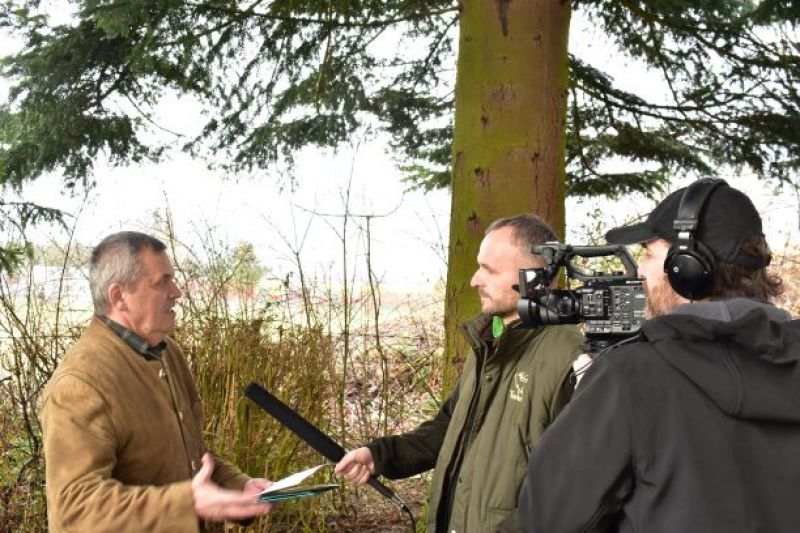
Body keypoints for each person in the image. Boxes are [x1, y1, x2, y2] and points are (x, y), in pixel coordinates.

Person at [515, 178, 800, 532]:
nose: (641, 271)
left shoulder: (630, 375)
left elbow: (547, 515)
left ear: (688, 267)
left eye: (650, 254)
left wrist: (592, 390)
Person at [335, 214, 584, 532]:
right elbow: (450, 428)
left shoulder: (572, 359)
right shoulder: (489, 340)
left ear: (534, 277)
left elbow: (576, 486)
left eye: (490, 270)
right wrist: (379, 455)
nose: (475, 280)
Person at [42, 231, 273, 532]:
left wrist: (239, 487)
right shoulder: (80, 383)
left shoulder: (164, 352)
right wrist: (188, 504)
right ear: (119, 297)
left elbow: (189, 457)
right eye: (162, 282)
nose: (176, 292)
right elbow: (75, 509)